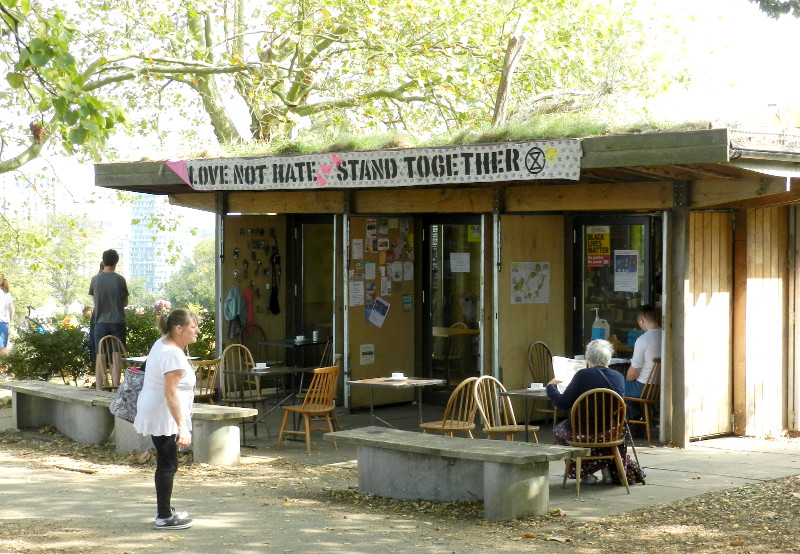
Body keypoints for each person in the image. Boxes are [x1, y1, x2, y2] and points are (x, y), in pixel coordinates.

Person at [133, 308, 198, 530]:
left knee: (166, 462)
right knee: (168, 464)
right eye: (193, 326)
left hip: (158, 410)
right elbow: (170, 393)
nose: (197, 330)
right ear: (179, 329)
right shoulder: (172, 354)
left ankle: (165, 511)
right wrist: (182, 427)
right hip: (164, 414)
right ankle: (163, 517)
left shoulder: (163, 344)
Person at [546, 339, 625, 485]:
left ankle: (585, 474)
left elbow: (563, 403)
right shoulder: (619, 377)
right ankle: (606, 471)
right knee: (598, 436)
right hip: (609, 432)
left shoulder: (582, 375)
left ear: (588, 358)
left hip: (581, 432)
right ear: (609, 358)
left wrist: (550, 388)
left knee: (560, 431)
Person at [625, 305, 662, 419]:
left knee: (618, 386)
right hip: (661, 387)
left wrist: (626, 380)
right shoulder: (668, 335)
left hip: (644, 388)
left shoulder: (643, 339)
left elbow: (632, 374)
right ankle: (639, 418)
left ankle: (636, 419)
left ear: (641, 320)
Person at [89, 251, 128, 350]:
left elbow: (95, 301)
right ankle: (116, 365)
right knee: (117, 355)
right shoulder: (121, 280)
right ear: (116, 262)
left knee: (100, 356)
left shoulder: (95, 280)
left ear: (103, 261)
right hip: (118, 322)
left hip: (100, 322)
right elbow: (125, 303)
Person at [0, 274, 14, 355]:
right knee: (2, 350)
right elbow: (12, 309)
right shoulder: (7, 294)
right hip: (3, 323)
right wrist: (9, 321)